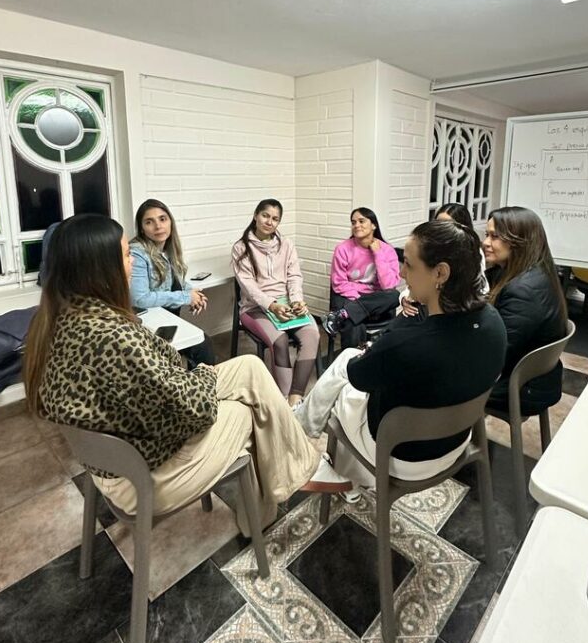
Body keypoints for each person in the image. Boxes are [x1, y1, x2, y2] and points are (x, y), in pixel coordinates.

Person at [23, 214, 351, 538]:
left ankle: (292, 473)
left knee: (251, 368)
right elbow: (195, 411)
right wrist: (203, 375)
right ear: (98, 270)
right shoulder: (112, 337)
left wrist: (191, 373)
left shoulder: (59, 321)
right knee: (248, 411)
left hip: (123, 454)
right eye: (125, 255)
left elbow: (157, 384)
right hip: (142, 477)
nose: (132, 262)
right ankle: (286, 485)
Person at [295, 218, 507, 492]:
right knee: (351, 371)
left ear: (440, 273)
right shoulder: (493, 321)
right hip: (456, 442)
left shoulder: (408, 341)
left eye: (408, 264)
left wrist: (392, 332)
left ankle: (300, 438)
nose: (402, 273)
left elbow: (359, 378)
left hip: (403, 457)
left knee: (344, 371)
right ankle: (333, 462)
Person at [231, 199, 320, 407]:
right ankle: (283, 398)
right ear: (256, 215)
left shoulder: (286, 244)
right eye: (265, 216)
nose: (269, 222)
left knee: (312, 334)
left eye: (275, 218)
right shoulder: (241, 248)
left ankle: (295, 398)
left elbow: (294, 276)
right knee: (280, 340)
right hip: (255, 308)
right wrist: (272, 305)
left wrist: (296, 301)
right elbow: (249, 287)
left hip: (287, 303)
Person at [482, 206, 568, 412]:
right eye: (487, 235)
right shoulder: (536, 272)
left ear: (520, 242)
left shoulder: (523, 290)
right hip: (535, 379)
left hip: (521, 388)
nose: (485, 242)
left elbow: (496, 353)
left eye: (495, 236)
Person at [129, 199, 215, 369]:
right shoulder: (137, 253)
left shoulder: (167, 249)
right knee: (203, 346)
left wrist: (193, 293)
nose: (158, 226)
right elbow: (139, 299)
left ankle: (198, 381)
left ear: (170, 222)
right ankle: (201, 383)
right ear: (141, 228)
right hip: (148, 322)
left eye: (162, 219)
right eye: (149, 222)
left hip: (167, 316)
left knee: (202, 345)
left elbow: (175, 281)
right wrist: (186, 297)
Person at [323, 207, 402, 347]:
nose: (356, 225)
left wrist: (377, 253)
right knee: (354, 320)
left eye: (361, 221)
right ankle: (354, 359)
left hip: (375, 299)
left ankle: (342, 315)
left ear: (374, 225)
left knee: (394, 295)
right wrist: (359, 302)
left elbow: (388, 286)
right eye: (353, 222)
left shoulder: (387, 250)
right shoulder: (343, 248)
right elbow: (339, 282)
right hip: (348, 296)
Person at [400, 202, 488, 318]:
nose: (440, 230)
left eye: (447, 225)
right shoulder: (427, 250)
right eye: (437, 224)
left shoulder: (473, 254)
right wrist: (405, 297)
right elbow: (416, 281)